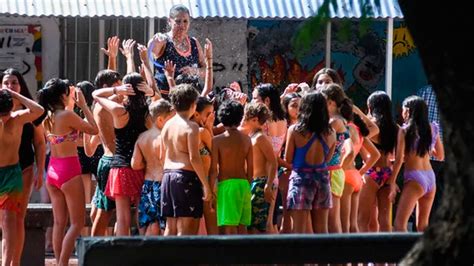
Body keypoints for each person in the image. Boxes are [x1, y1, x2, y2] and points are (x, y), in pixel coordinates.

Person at [38, 78, 98, 265]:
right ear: (63, 95)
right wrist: (85, 105)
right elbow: (94, 129)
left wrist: (71, 102)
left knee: (59, 222)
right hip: (69, 170)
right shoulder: (67, 116)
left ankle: (59, 261)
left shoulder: (49, 116)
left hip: (53, 171)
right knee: (77, 223)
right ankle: (63, 262)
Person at [93, 73, 150, 236]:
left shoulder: (119, 111)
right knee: (141, 214)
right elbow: (163, 103)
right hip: (141, 167)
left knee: (122, 218)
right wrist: (151, 93)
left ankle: (123, 255)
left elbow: (95, 94)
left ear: (127, 89)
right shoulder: (148, 112)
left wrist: (117, 90)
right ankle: (142, 253)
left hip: (120, 168)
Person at [1, 68, 46, 263]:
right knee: (5, 222)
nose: (10, 86)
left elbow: (40, 141)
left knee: (14, 220)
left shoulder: (20, 117)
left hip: (20, 170)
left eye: (14, 82)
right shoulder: (13, 116)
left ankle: (12, 262)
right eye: (7, 83)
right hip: (8, 171)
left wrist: (40, 171)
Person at [160, 83, 212, 236]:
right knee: (187, 230)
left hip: (167, 177)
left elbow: (162, 155)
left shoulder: (167, 125)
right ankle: (185, 260)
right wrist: (206, 185)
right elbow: (194, 158)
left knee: (170, 227)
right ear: (193, 105)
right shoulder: (191, 127)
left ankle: (168, 260)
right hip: (185, 178)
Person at [285, 92, 336, 233]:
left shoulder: (294, 130)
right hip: (322, 179)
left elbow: (288, 159)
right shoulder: (331, 133)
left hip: (301, 179)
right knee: (322, 231)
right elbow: (327, 159)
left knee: (299, 232)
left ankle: (301, 256)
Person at [393, 96, 444, 232]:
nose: (402, 114)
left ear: (408, 111)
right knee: (423, 226)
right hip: (430, 177)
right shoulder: (432, 128)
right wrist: (425, 149)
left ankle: (403, 254)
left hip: (415, 178)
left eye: (403, 110)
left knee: (399, 224)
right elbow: (440, 155)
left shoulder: (404, 130)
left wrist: (392, 182)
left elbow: (398, 160)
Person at [132, 99, 175, 236]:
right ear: (161, 119)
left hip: (147, 184)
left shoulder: (142, 137)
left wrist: (148, 163)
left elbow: (135, 164)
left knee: (149, 222)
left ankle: (146, 254)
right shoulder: (164, 137)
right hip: (163, 184)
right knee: (164, 224)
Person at [358, 91, 399, 232]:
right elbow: (399, 156)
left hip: (372, 173)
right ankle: (385, 253)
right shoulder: (396, 128)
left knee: (362, 219)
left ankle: (360, 253)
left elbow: (360, 144)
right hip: (388, 172)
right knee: (385, 220)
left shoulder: (372, 126)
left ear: (370, 106)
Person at [210, 100, 253, 234]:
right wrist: (248, 186)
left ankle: (232, 255)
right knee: (242, 226)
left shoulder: (217, 140)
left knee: (229, 227)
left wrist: (211, 191)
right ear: (240, 118)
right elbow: (251, 168)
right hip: (244, 184)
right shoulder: (247, 139)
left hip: (226, 186)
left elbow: (213, 170)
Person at [148, 4, 206, 100]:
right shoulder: (163, 41)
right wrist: (155, 41)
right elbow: (150, 49)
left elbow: (206, 70)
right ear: (169, 21)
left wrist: (195, 71)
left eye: (185, 21)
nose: (182, 25)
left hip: (191, 98)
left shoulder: (194, 42)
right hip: (166, 98)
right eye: (178, 21)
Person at [89, 69, 122, 236]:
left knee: (109, 213)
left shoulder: (99, 106)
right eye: (118, 85)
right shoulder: (110, 106)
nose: (122, 88)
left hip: (107, 161)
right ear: (106, 87)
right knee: (107, 214)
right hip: (113, 163)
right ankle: (93, 253)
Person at [251, 83, 287, 233]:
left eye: (255, 99)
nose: (252, 102)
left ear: (266, 101)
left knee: (259, 226)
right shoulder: (283, 120)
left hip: (262, 178)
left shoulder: (264, 123)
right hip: (273, 178)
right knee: (270, 223)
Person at [340, 106, 380, 233]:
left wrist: (339, 169)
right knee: (353, 224)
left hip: (345, 175)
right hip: (355, 177)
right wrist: (360, 172)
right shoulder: (358, 131)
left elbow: (349, 153)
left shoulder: (345, 129)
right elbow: (375, 154)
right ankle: (357, 253)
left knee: (344, 225)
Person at [320, 84, 353, 234]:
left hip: (331, 171)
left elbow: (323, 144)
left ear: (331, 103)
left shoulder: (334, 121)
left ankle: (338, 255)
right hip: (335, 171)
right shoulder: (340, 120)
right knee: (332, 218)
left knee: (332, 219)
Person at [243, 102, 278, 234]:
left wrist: (268, 185)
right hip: (254, 182)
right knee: (251, 224)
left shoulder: (261, 138)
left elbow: (273, 162)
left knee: (259, 225)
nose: (244, 120)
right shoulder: (251, 136)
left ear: (255, 120)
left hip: (260, 183)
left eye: (246, 117)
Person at [191, 97, 218, 235]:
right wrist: (208, 128)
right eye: (208, 114)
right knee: (212, 224)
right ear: (196, 114)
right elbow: (216, 152)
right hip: (206, 181)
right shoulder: (201, 132)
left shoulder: (196, 130)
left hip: (198, 181)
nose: (211, 116)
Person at [416, 85, 444, 222]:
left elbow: (418, 118)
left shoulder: (425, 91)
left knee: (424, 196)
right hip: (447, 153)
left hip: (427, 155)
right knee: (441, 196)